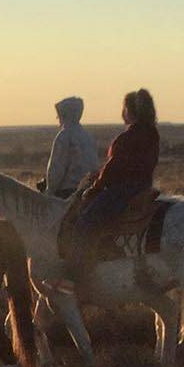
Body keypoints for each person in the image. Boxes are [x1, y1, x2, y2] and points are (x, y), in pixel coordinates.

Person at [61, 88, 161, 286]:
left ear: (129, 111)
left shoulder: (127, 137)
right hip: (143, 187)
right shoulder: (152, 133)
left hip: (124, 189)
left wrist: (95, 188)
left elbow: (113, 169)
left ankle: (79, 276)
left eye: (124, 108)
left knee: (85, 222)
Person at [42, 95, 99, 199]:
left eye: (58, 116)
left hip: (66, 193)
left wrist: (49, 191)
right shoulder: (88, 136)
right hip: (88, 191)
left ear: (64, 115)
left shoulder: (63, 136)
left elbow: (56, 169)